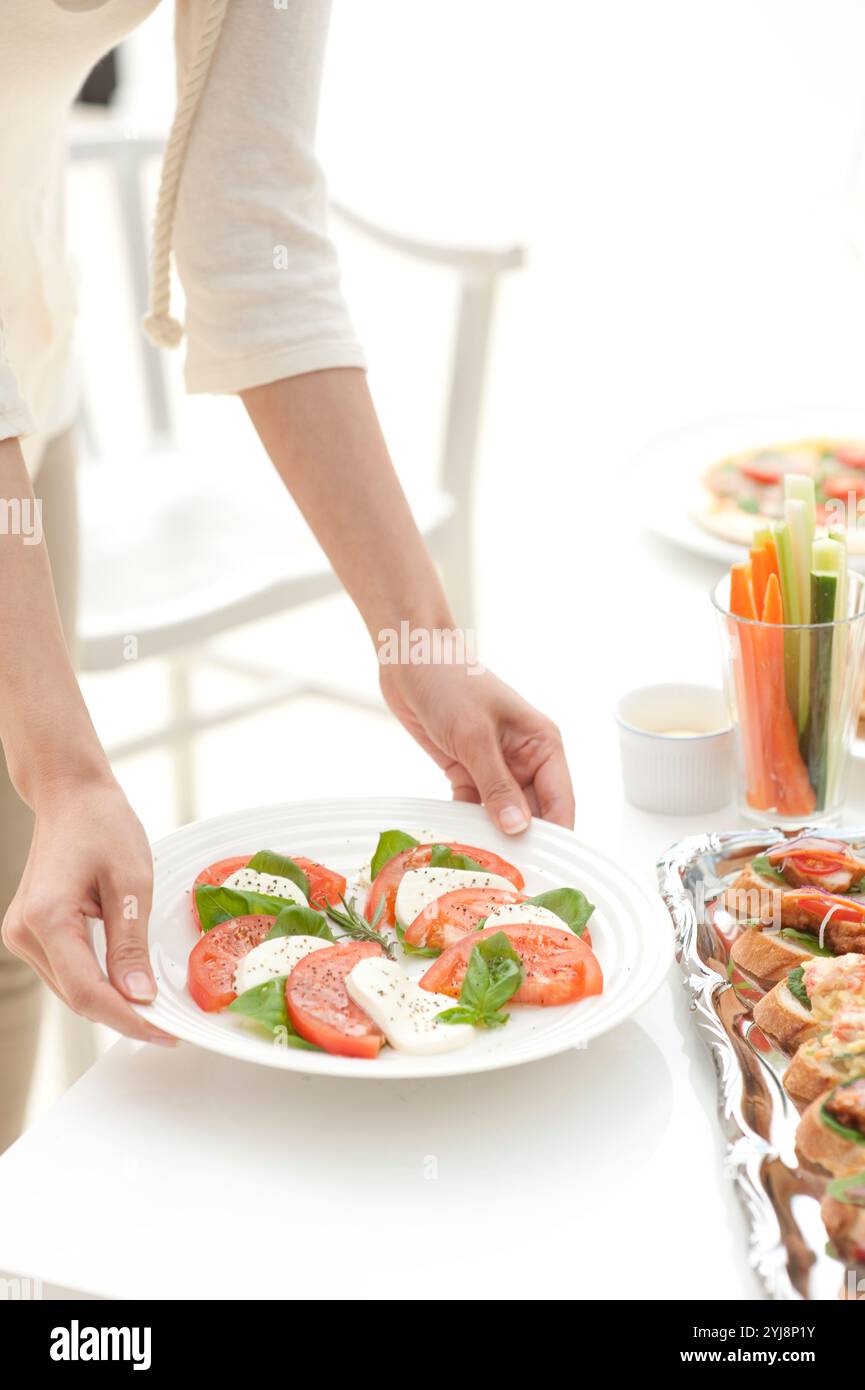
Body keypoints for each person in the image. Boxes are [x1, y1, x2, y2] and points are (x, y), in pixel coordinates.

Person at [0, 0, 574, 1147]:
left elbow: (247, 219)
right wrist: (66, 769)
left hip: (24, 364)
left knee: (15, 928)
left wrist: (424, 646)